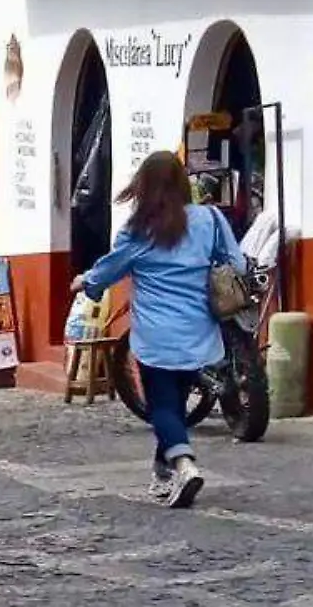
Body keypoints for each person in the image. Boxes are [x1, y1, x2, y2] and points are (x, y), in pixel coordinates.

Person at [73, 151, 245, 509]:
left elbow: (108, 271)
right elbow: (237, 262)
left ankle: (184, 465)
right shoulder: (210, 219)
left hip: (156, 336)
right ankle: (162, 472)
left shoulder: (138, 231)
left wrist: (84, 281)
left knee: (162, 406)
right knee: (175, 403)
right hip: (199, 330)